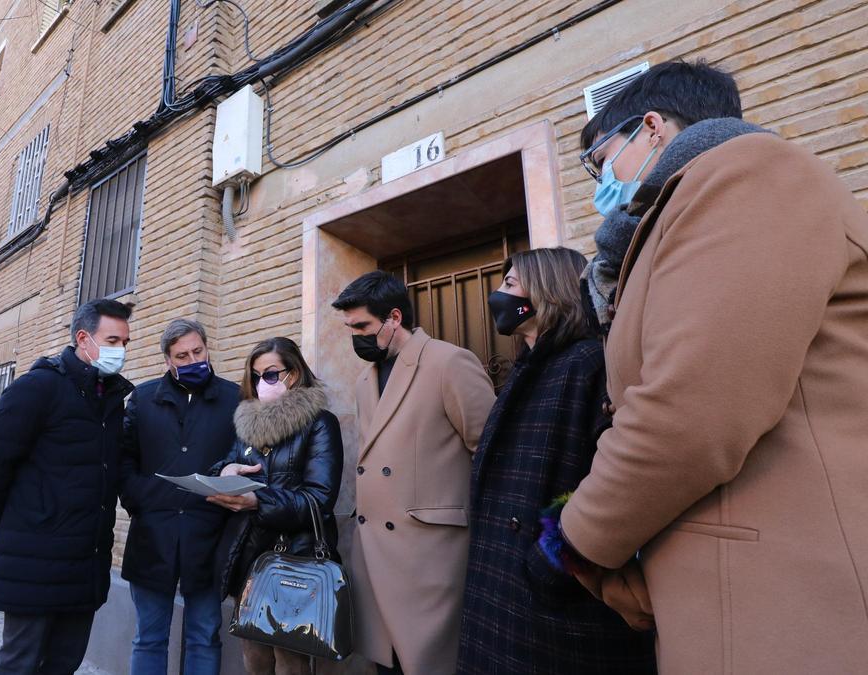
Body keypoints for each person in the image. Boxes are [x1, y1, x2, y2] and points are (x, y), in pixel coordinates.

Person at [541, 59, 868, 673]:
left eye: (600, 159)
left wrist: (575, 537)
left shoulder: (749, 173)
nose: (600, 181)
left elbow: (691, 412)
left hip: (786, 596)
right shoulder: (670, 219)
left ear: (652, 127)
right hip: (730, 584)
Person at [456, 248, 655, 674]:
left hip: (555, 611)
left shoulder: (588, 363)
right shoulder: (529, 370)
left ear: (548, 290)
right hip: (507, 593)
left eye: (510, 285)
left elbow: (616, 479)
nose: (498, 295)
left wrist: (552, 561)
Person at [333, 271, 495, 675]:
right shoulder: (363, 381)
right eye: (350, 328)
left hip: (430, 557)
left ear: (393, 318)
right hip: (374, 554)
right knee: (384, 665)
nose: (356, 337)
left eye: (363, 327)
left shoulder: (449, 361)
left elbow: (492, 454)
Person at [0, 299, 134, 674]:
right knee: (19, 666)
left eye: (125, 342)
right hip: (35, 567)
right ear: (83, 338)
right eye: (113, 340)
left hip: (85, 566)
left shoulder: (109, 400)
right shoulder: (36, 388)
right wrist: (22, 535)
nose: (121, 350)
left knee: (64, 665)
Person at [208, 337, 343, 675]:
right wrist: (224, 471)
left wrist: (258, 500)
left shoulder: (320, 424)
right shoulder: (246, 426)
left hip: (294, 563)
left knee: (290, 662)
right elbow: (226, 464)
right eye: (254, 376)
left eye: (269, 375)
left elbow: (319, 498)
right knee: (254, 657)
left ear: (293, 374)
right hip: (249, 563)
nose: (259, 384)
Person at [119, 319, 240, 675]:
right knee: (149, 637)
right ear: (168, 361)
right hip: (152, 537)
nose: (192, 360)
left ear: (207, 347)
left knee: (205, 636)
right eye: (182, 356)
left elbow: (242, 454)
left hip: (209, 540)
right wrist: (138, 497)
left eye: (197, 352)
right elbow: (124, 459)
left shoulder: (234, 397)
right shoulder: (142, 398)